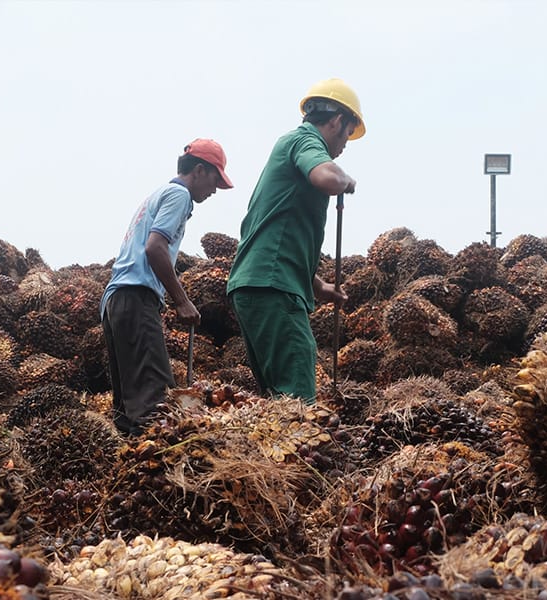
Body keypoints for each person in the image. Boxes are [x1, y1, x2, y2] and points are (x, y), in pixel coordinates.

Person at [226, 78, 365, 403]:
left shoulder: (291, 147)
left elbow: (280, 240)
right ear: (336, 120)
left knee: (279, 400)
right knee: (297, 396)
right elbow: (327, 177)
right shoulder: (305, 140)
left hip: (260, 284)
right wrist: (345, 180)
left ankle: (272, 455)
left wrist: (318, 286)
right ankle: (296, 454)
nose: (345, 143)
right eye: (347, 132)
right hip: (273, 289)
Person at [101, 139, 233, 435]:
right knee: (157, 407)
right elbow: (155, 248)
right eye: (215, 180)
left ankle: (130, 471)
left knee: (128, 411)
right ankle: (157, 479)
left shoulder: (157, 194)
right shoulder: (179, 194)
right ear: (199, 170)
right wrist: (182, 301)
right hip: (136, 298)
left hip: (115, 302)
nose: (214, 190)